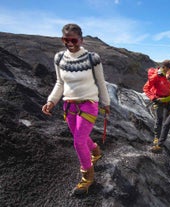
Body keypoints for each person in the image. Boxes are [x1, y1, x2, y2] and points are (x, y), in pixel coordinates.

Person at [42, 23, 110, 195]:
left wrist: (106, 102)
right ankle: (96, 151)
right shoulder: (59, 58)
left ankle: (88, 177)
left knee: (78, 141)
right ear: (62, 39)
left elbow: (101, 82)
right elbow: (60, 83)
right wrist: (51, 101)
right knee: (80, 136)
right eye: (66, 39)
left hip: (89, 104)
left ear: (81, 40)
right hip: (69, 105)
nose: (70, 43)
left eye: (73, 40)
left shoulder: (92, 58)